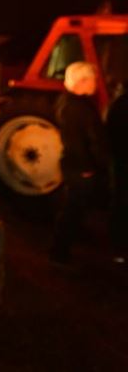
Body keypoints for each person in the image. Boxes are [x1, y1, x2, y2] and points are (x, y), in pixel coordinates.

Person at [49, 62, 110, 265]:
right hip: (82, 168)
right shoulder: (79, 107)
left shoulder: (66, 102)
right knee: (72, 209)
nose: (96, 83)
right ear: (83, 81)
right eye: (93, 79)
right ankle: (59, 253)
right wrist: (89, 167)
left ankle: (66, 244)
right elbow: (84, 141)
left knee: (74, 207)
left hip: (74, 165)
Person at [106, 81, 128, 262]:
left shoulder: (117, 105)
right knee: (121, 203)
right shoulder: (122, 107)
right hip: (122, 162)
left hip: (119, 160)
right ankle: (118, 248)